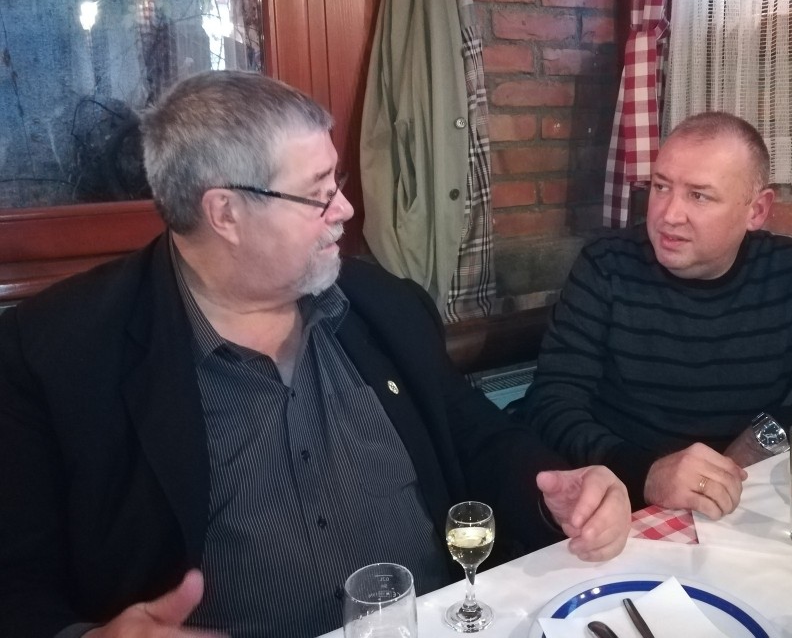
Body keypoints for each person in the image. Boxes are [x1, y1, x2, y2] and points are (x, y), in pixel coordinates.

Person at [0, 71, 631, 638]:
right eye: (318, 193)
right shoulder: (58, 353)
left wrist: (555, 489)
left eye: (338, 182)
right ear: (225, 213)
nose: (345, 210)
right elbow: (15, 580)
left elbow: (472, 434)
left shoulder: (382, 305)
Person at [519, 112, 792, 518]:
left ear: (756, 210)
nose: (668, 215)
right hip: (618, 502)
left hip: (735, 505)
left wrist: (773, 432)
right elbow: (551, 403)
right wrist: (645, 472)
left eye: (699, 195)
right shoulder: (607, 265)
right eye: (661, 187)